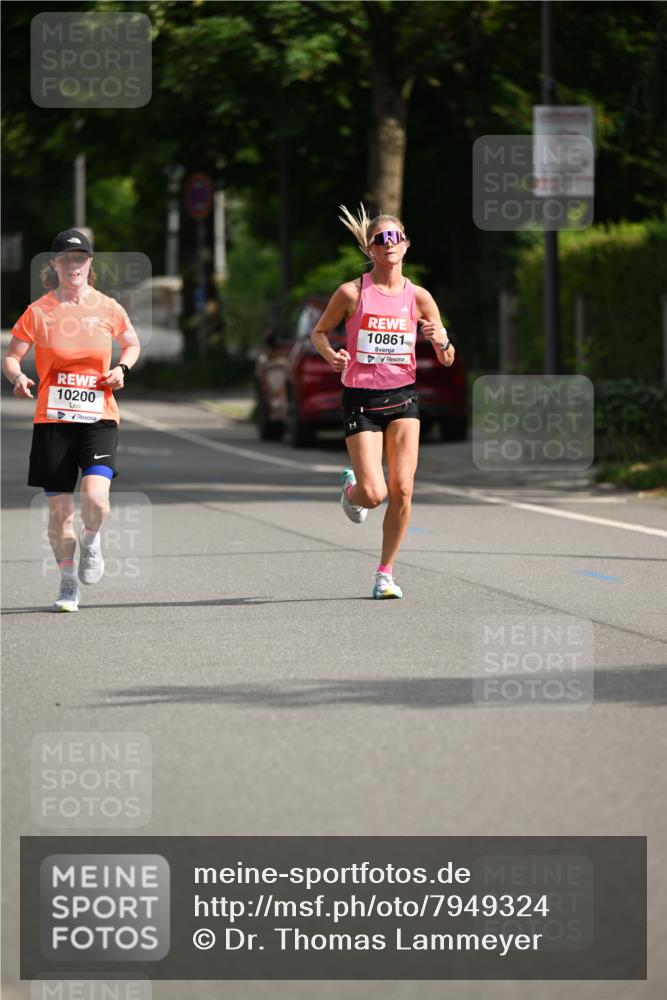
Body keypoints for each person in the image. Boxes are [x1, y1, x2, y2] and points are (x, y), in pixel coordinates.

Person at [310, 204, 455, 599]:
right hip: (361, 400)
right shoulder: (352, 293)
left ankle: (385, 573)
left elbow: (447, 356)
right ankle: (351, 491)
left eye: (395, 238)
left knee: (403, 490)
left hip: (404, 399)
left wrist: (439, 339)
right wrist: (330, 355)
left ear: (405, 246)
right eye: (381, 239)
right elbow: (319, 333)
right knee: (375, 494)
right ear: (370, 249)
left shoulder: (420, 297)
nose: (388, 243)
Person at [2, 229, 141, 612]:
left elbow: (132, 343)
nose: (73, 265)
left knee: (97, 499)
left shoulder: (108, 307)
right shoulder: (39, 311)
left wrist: (122, 368)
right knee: (60, 513)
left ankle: (92, 539)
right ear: (55, 265)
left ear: (89, 264)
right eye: (66, 259)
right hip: (53, 422)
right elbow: (12, 356)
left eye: (80, 259)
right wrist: (19, 377)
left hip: (99, 417)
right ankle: (67, 583)